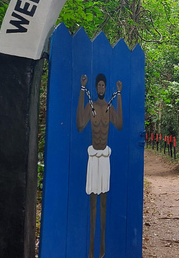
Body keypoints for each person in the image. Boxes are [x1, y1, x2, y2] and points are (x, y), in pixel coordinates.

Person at [77, 73, 123, 258]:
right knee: (93, 202)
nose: (102, 88)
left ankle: (102, 248)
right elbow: (80, 124)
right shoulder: (91, 106)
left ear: (106, 87)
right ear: (96, 88)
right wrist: (81, 90)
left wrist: (119, 94)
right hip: (93, 157)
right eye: (99, 86)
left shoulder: (109, 108)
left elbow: (119, 125)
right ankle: (90, 250)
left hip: (104, 157)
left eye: (104, 86)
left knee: (104, 201)